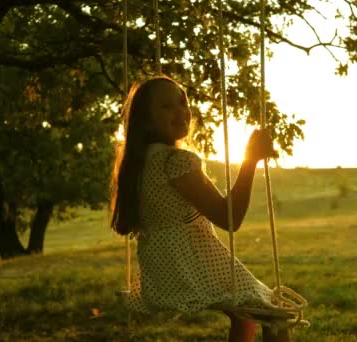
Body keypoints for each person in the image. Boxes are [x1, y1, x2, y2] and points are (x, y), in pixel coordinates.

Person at [110, 75, 290, 342]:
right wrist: (250, 160)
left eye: (183, 103)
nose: (181, 111)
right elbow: (230, 218)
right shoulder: (175, 162)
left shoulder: (140, 162)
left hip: (161, 267)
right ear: (146, 121)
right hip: (187, 266)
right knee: (276, 315)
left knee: (245, 313)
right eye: (167, 106)